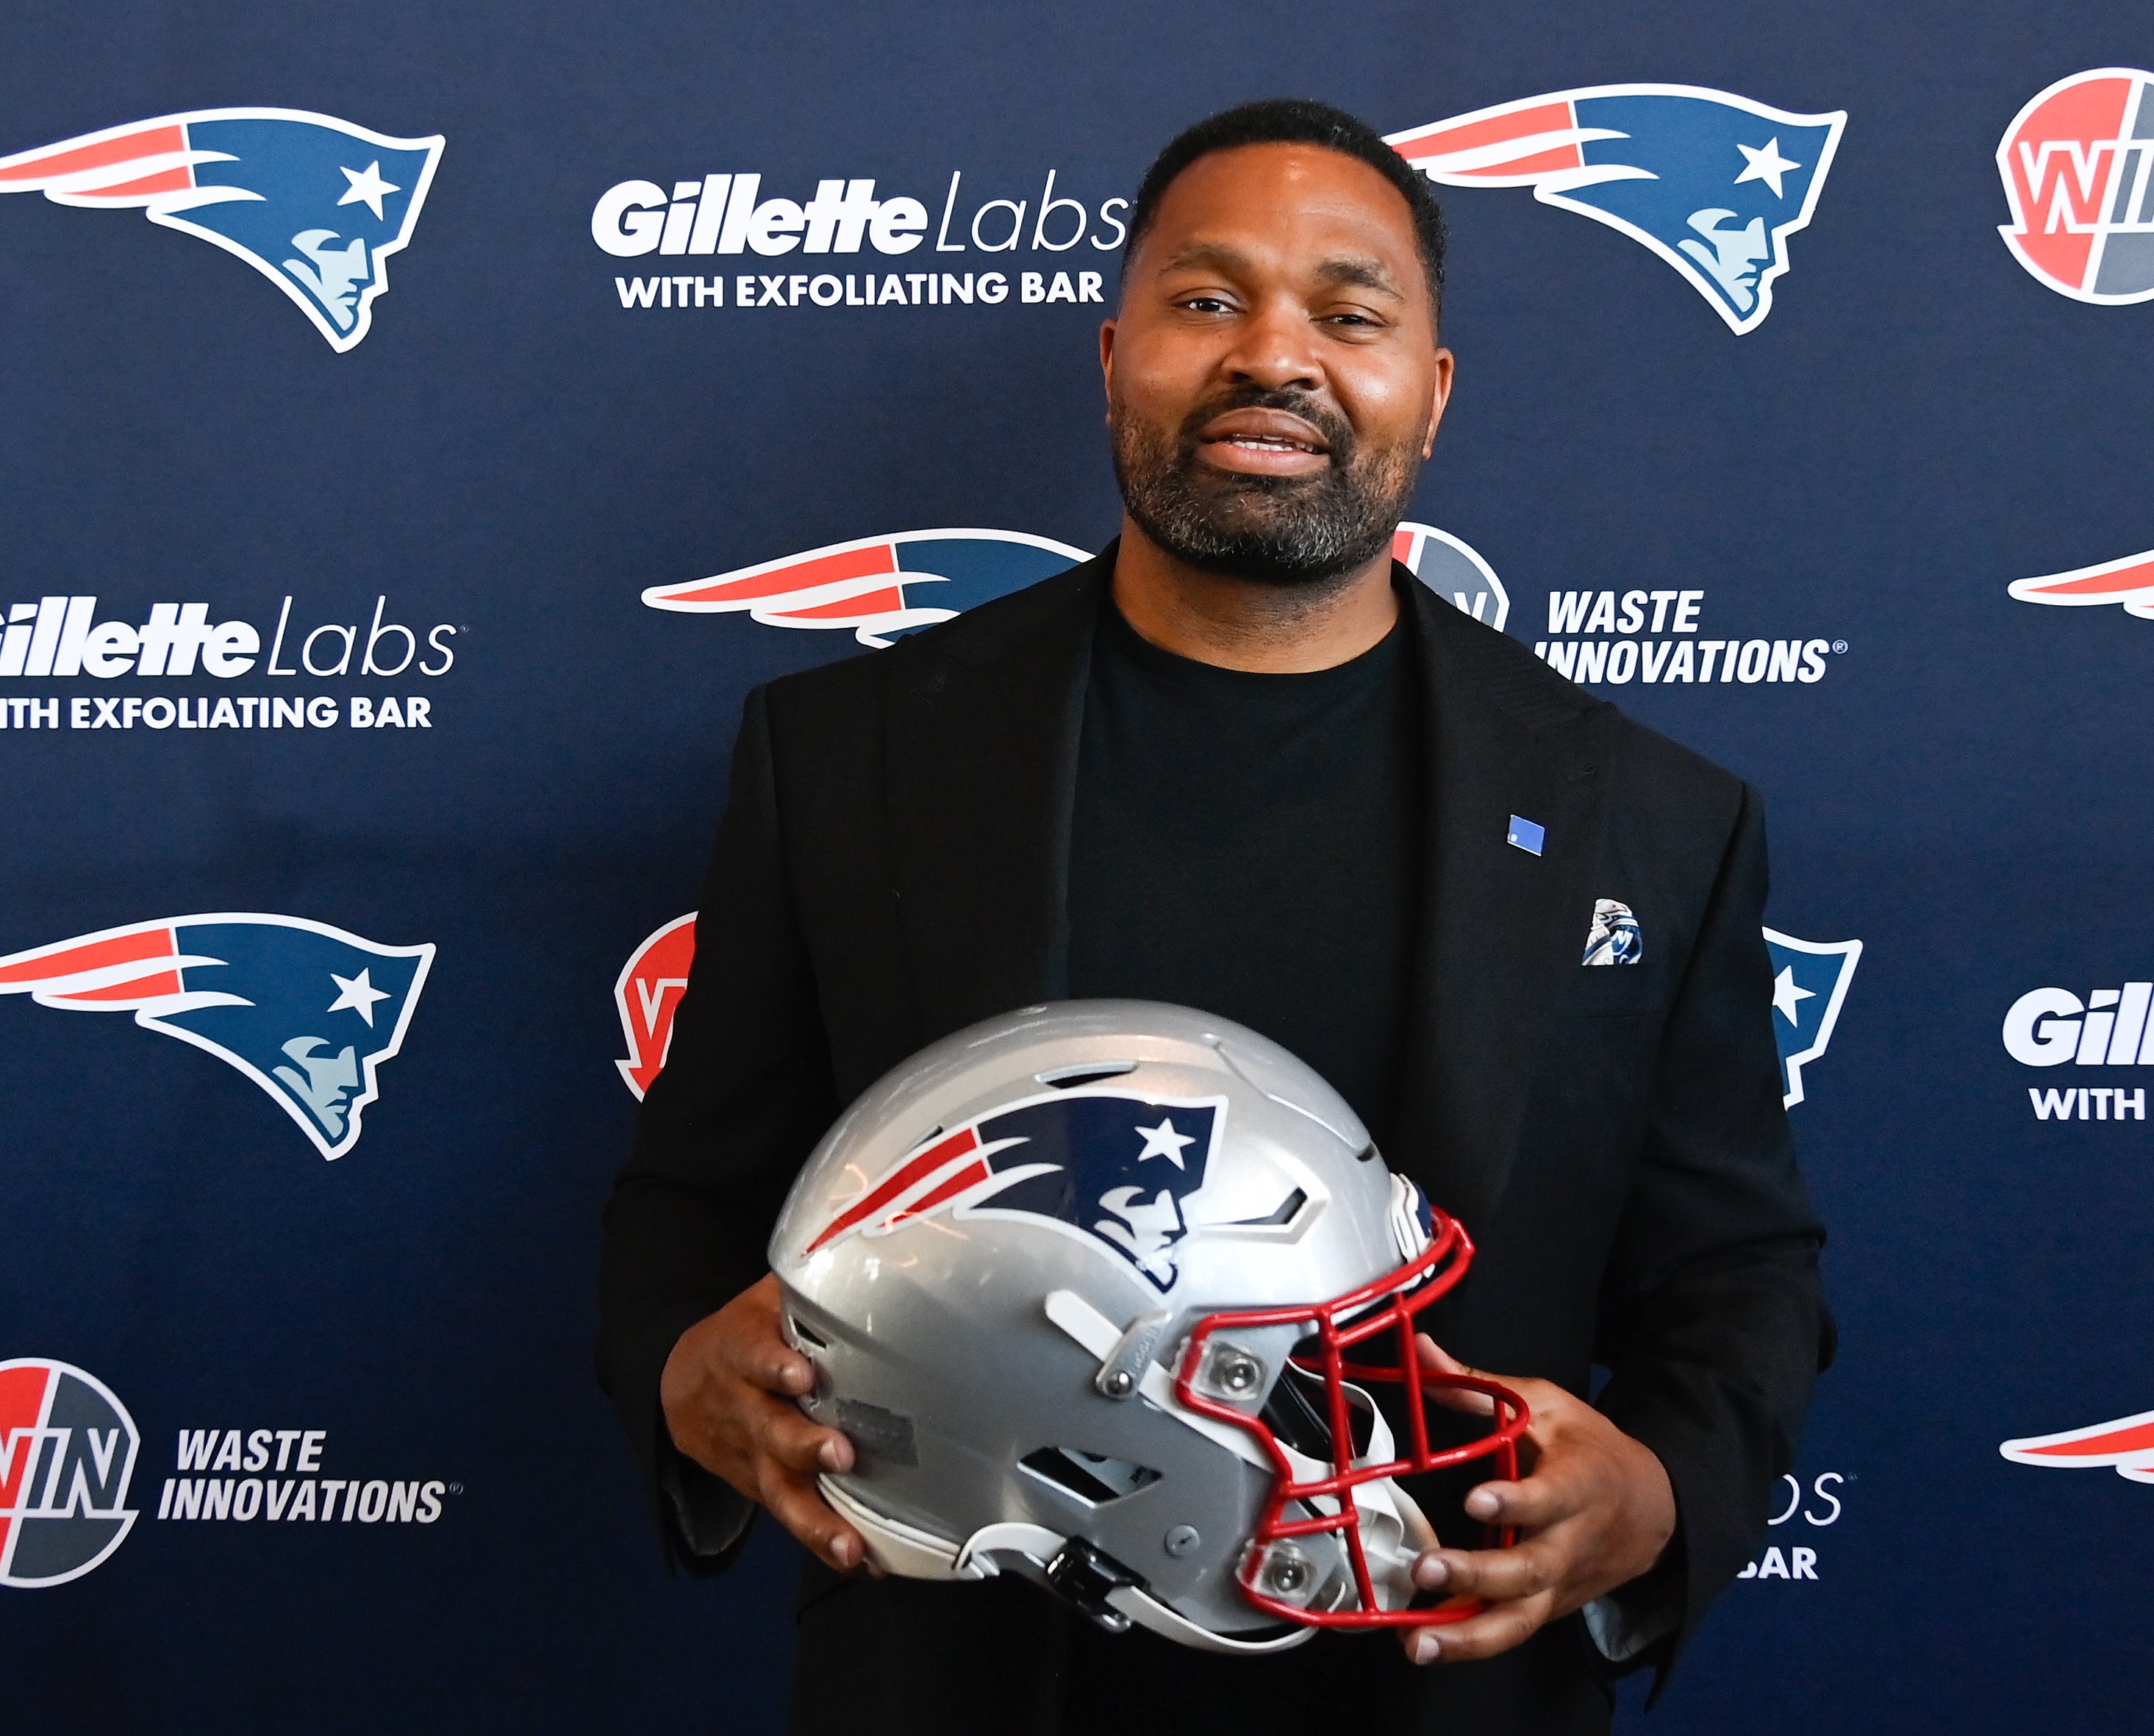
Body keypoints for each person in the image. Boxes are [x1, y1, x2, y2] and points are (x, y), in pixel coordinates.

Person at [598, 98, 1831, 1735]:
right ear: (1116, 359)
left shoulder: (1652, 817)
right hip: (961, 1676)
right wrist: (688, 1373)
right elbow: (687, 1203)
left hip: (1438, 1689)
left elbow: (1738, 1269)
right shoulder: (843, 755)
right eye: (1206, 298)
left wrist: (1659, 1491)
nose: (1274, 355)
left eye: (1348, 313)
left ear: (1430, 392)